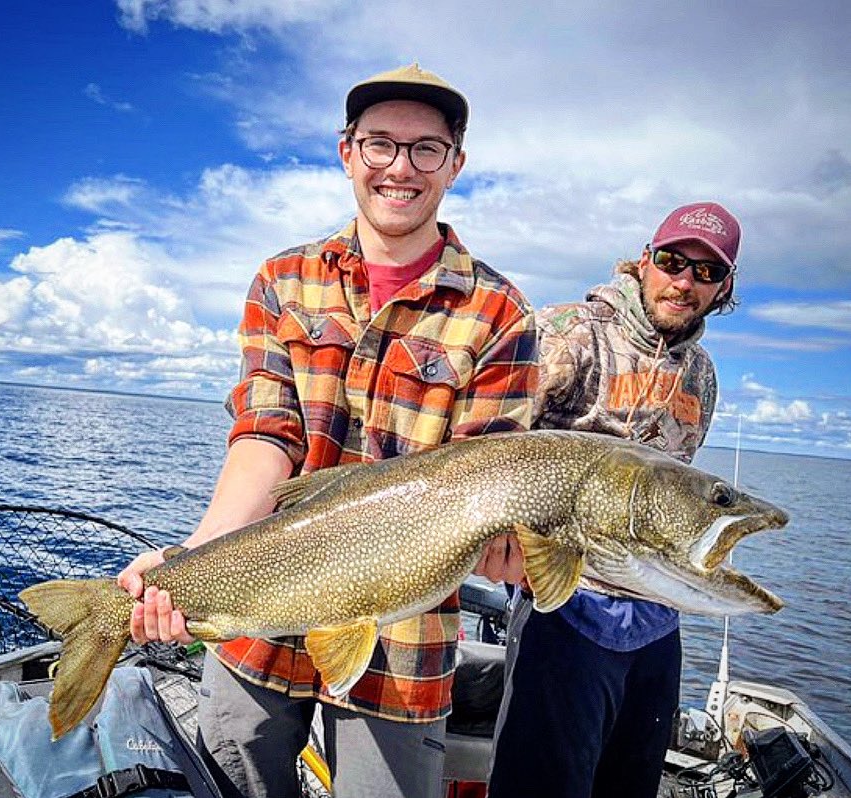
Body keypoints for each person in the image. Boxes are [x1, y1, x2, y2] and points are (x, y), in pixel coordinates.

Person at [117, 63, 538, 798]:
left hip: (403, 643)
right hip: (256, 624)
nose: (399, 168)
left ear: (455, 164)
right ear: (347, 153)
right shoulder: (282, 279)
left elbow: (482, 476)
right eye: (380, 144)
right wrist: (197, 553)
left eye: (425, 149)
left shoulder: (501, 313)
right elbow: (265, 432)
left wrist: (518, 547)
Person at [487, 202, 742, 798]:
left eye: (705, 273)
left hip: (655, 618)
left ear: (723, 288)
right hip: (565, 605)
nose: (683, 282)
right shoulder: (571, 332)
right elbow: (491, 451)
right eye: (673, 261)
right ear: (645, 260)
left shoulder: (701, 375)